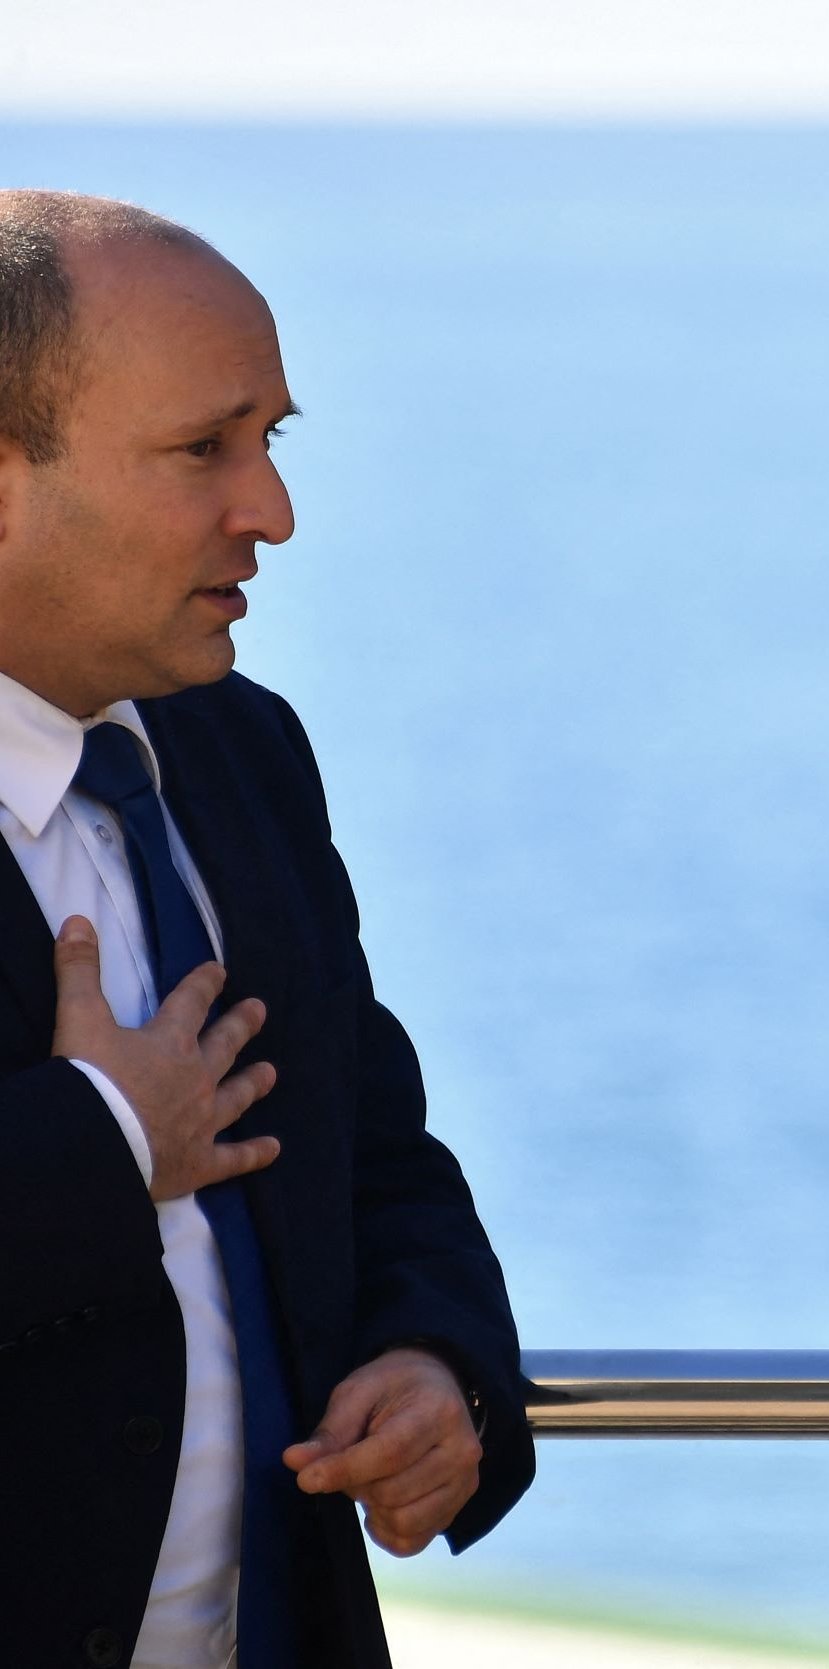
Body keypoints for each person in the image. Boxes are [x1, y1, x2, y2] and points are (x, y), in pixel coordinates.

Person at [0, 191, 534, 1667]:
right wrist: (105, 1136)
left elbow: (377, 1152)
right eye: (202, 450)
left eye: (271, 441)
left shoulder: (244, 752)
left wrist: (437, 1365)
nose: (271, 511)